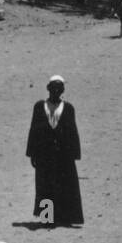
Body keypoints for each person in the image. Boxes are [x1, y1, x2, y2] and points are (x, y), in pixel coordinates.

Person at [26, 75, 83, 227]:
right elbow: (34, 129)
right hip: (45, 155)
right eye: (53, 88)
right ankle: (47, 218)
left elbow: (72, 131)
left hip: (64, 155)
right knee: (45, 186)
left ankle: (64, 218)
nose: (56, 91)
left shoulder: (68, 108)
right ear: (48, 89)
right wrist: (32, 153)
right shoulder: (39, 107)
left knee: (65, 185)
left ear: (62, 90)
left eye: (59, 89)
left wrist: (75, 153)